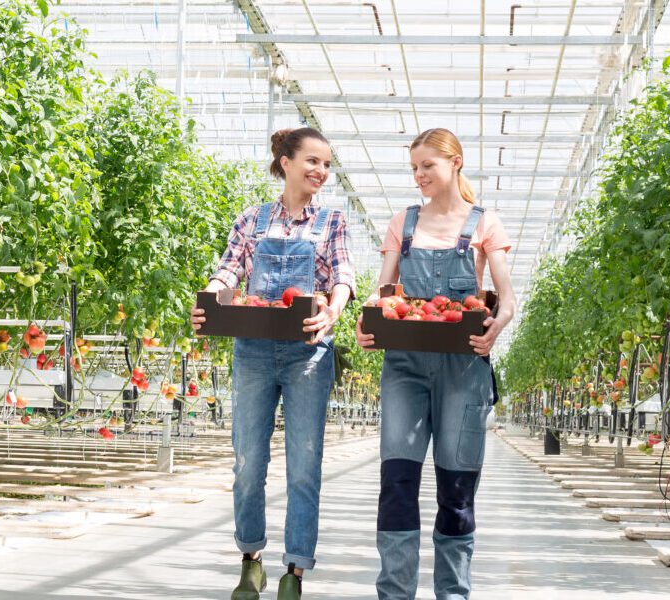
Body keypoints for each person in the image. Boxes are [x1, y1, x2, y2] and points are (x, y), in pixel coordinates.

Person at [191, 127, 355, 599]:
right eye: (312, 161)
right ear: (285, 161)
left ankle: (295, 571)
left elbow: (342, 275)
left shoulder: (332, 223)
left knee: (304, 465)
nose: (320, 171)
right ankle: (251, 560)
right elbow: (229, 269)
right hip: (254, 350)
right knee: (248, 460)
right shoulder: (252, 220)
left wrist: (333, 309)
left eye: (326, 164)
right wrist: (213, 298)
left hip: (308, 354)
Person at [356, 128, 516, 600]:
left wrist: (497, 325)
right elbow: (382, 290)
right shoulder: (402, 222)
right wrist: (368, 322)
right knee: (397, 482)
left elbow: (506, 300)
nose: (420, 175)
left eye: (428, 165)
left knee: (457, 487)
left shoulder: (484, 223)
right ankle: (395, 593)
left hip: (464, 368)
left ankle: (453, 594)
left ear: (456, 163)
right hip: (405, 365)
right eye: (414, 168)